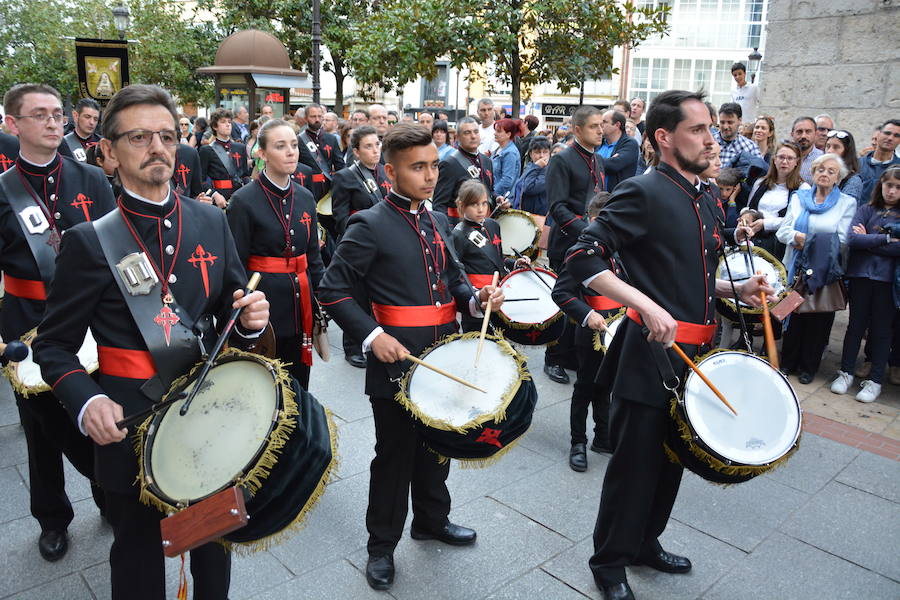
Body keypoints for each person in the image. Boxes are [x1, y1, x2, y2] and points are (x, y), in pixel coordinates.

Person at [33, 83, 270, 600]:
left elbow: (232, 310)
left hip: (208, 415)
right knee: (138, 559)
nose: (158, 147)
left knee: (213, 547)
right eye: (139, 137)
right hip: (130, 426)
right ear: (109, 153)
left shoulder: (211, 220)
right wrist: (87, 398)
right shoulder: (89, 241)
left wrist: (251, 320)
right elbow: (52, 347)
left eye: (167, 135)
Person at [564, 89, 773, 600]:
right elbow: (583, 259)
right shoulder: (644, 190)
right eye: (698, 129)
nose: (712, 138)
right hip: (647, 356)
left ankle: (645, 544)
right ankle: (610, 563)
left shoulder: (705, 197)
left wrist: (734, 289)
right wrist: (648, 306)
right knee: (633, 469)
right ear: (664, 137)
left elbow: (690, 276)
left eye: (710, 129)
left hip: (697, 357)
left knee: (672, 460)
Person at [318, 123, 504, 591]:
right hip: (397, 361)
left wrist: (478, 302)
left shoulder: (439, 220)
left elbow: (456, 281)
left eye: (433, 166)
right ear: (390, 170)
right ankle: (380, 546)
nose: (428, 175)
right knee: (395, 455)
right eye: (417, 167)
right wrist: (371, 335)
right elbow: (333, 289)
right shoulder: (369, 223)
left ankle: (431, 520)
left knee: (437, 444)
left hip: (444, 354)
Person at [1, 83, 114, 563]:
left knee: (103, 413)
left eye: (57, 114)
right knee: (42, 432)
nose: (53, 122)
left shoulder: (90, 178)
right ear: (13, 125)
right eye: (40, 115)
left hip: (90, 318)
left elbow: (117, 248)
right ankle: (52, 519)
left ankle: (112, 495)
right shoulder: (3, 190)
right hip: (26, 322)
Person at [227, 119, 324, 389]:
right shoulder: (244, 200)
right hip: (264, 308)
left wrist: (323, 298)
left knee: (300, 383)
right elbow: (235, 264)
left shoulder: (305, 196)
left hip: (301, 304)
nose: (291, 152)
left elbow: (313, 256)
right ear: (262, 154)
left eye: (294, 144)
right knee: (268, 385)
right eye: (280, 146)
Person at [776, 153, 857, 384]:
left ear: (838, 178)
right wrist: (811, 239)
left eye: (831, 171)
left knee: (817, 320)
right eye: (820, 169)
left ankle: (808, 368)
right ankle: (788, 363)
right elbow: (783, 233)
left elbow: (841, 240)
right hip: (796, 270)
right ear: (812, 173)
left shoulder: (846, 203)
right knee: (793, 315)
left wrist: (805, 239)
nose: (824, 173)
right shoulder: (799, 197)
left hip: (825, 271)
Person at [551, 191, 616, 473]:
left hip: (616, 330)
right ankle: (578, 442)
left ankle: (604, 436)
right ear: (590, 220)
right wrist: (587, 314)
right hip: (590, 331)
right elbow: (561, 292)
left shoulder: (619, 249)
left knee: (607, 387)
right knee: (585, 387)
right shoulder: (580, 250)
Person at [830, 167, 900, 403]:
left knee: (881, 331)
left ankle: (875, 381)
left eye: (898, 187)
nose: (892, 191)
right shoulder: (866, 209)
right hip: (860, 277)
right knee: (855, 326)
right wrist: (886, 238)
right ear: (881, 185)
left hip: (887, 281)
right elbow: (852, 239)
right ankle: (846, 372)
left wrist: (868, 238)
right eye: (889, 185)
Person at [330, 125, 390, 368]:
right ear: (356, 151)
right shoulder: (346, 176)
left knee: (378, 294)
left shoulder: (385, 173)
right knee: (356, 296)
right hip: (359, 244)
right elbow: (340, 216)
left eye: (377, 145)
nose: (375, 150)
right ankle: (353, 346)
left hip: (384, 242)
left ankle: (379, 340)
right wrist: (359, 238)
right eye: (368, 146)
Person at [450, 179, 527, 332]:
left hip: (498, 292)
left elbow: (497, 259)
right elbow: (456, 275)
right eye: (474, 204)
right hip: (477, 295)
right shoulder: (458, 235)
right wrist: (475, 295)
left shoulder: (493, 225)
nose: (480, 209)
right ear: (461, 205)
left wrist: (516, 263)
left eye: (484, 203)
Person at [737, 141, 811, 257]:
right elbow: (750, 207)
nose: (784, 162)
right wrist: (746, 216)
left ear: (797, 162)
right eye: (781, 157)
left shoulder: (803, 188)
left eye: (790, 158)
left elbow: (796, 220)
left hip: (779, 246)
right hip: (754, 241)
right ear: (774, 159)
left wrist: (766, 224)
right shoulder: (760, 182)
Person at [432, 116, 494, 225]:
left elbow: (489, 191)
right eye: (467, 133)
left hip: (483, 226)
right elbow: (439, 204)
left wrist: (498, 198)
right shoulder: (449, 164)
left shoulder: (487, 161)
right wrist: (448, 232)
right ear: (457, 137)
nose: (473, 136)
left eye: (476, 132)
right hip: (459, 228)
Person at [297, 103, 346, 237]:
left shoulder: (331, 139)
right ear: (306, 118)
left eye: (320, 116)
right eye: (313, 116)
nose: (317, 119)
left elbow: (340, 164)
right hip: (309, 189)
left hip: (329, 190)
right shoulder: (300, 140)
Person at [198, 108, 250, 206]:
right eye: (223, 122)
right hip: (219, 199)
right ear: (214, 126)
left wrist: (248, 192)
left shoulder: (240, 147)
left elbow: (245, 175)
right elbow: (201, 180)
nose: (228, 124)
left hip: (240, 197)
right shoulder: (206, 150)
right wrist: (214, 194)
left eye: (229, 122)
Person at [858, 119, 900, 205]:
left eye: (896, 135)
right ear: (878, 135)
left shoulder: (898, 168)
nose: (890, 138)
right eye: (887, 133)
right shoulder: (857, 164)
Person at [713, 102, 762, 173]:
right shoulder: (709, 142)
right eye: (722, 122)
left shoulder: (750, 147)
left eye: (730, 122)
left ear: (740, 120)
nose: (725, 127)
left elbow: (759, 174)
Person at [598, 109, 639, 192]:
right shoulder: (598, 142)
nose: (600, 125)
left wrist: (591, 160)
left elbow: (614, 165)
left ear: (617, 125)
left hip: (616, 199)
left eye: (605, 122)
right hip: (594, 199)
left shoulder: (630, 144)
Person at [512, 136, 551, 215]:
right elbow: (519, 188)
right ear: (531, 154)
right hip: (523, 216)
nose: (541, 156)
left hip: (539, 218)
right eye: (537, 152)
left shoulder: (549, 171)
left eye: (545, 152)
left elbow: (529, 188)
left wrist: (536, 167)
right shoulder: (530, 167)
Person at [823, 130, 864, 202]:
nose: (829, 151)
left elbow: (846, 207)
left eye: (836, 147)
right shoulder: (821, 173)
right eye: (828, 146)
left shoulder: (853, 181)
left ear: (847, 152)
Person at [492, 118, 523, 200]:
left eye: (498, 131)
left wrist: (493, 194)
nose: (495, 134)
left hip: (502, 199)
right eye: (495, 131)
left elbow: (507, 180)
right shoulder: (499, 149)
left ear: (508, 134)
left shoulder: (510, 153)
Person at [791, 116, 824, 185]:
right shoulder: (784, 158)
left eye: (808, 132)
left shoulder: (823, 159)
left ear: (815, 134)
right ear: (792, 134)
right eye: (799, 132)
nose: (803, 136)